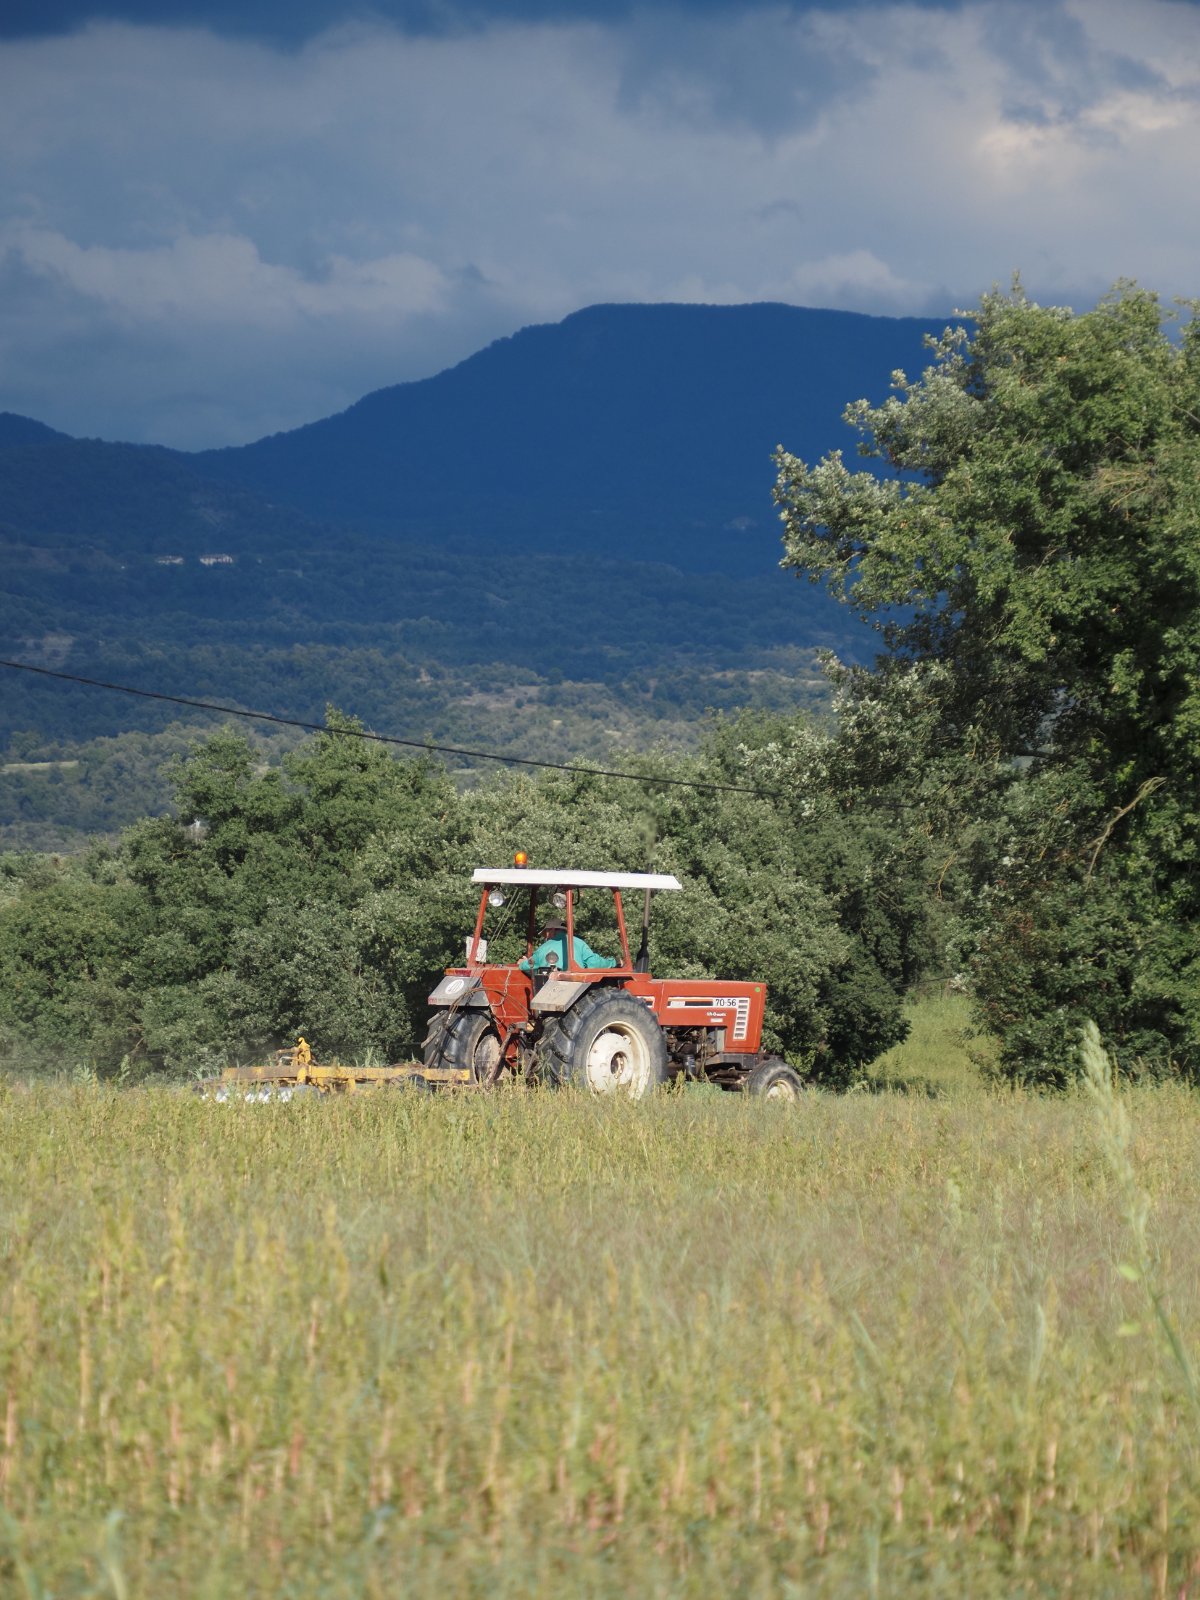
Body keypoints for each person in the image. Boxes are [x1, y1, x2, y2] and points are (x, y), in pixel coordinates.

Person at [519, 917, 617, 973]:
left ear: (551, 930)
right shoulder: (579, 943)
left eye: (545, 934)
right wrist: (613, 962)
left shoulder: (543, 949)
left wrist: (522, 963)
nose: (546, 937)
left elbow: (529, 966)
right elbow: (594, 963)